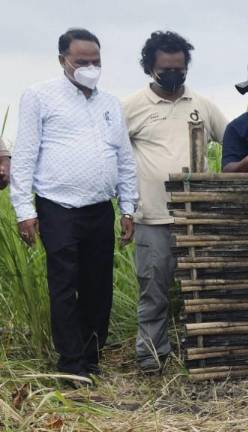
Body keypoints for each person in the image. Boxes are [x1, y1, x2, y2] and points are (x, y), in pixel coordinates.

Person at [10, 28, 138, 383]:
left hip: (100, 207)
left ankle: (91, 356)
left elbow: (124, 158)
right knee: (64, 283)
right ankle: (71, 364)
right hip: (57, 206)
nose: (90, 67)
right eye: (82, 62)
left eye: (96, 61)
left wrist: (128, 207)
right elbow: (24, 155)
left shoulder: (110, 103)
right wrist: (25, 211)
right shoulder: (39, 96)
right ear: (62, 60)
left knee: (99, 285)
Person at [123, 31, 228, 373]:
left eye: (179, 68)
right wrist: (124, 205)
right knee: (153, 291)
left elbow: (233, 141)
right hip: (152, 216)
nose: (173, 74)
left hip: (197, 215)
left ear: (186, 67)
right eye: (165, 68)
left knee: (205, 289)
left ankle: (205, 354)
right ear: (150, 68)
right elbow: (115, 155)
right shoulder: (133, 107)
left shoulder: (201, 105)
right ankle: (152, 359)